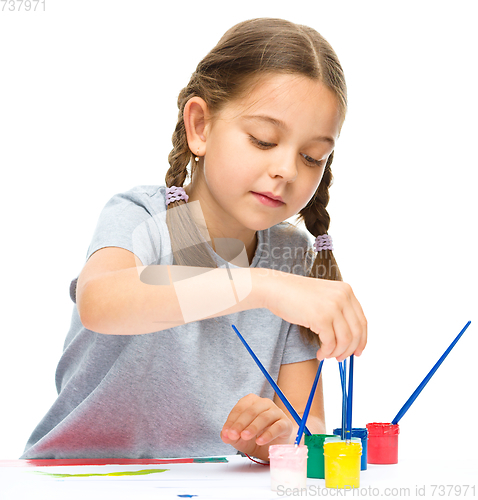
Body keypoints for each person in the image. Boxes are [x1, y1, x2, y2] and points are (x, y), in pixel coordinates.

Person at [21, 17, 367, 462]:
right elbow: (101, 303)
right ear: (200, 126)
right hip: (74, 480)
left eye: (311, 156)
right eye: (263, 141)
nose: (288, 170)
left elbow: (308, 424)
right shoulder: (144, 217)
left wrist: (273, 436)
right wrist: (259, 286)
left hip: (205, 485)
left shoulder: (291, 256)